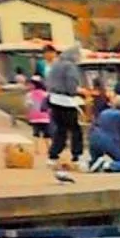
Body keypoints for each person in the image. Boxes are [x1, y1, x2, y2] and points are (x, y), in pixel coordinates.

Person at [42, 44, 86, 178]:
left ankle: (53, 155)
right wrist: (78, 92)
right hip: (66, 101)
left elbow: (48, 82)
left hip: (54, 100)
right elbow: (72, 85)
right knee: (75, 130)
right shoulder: (70, 66)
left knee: (60, 129)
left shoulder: (55, 65)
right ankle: (76, 156)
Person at [85, 93, 120, 173]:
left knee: (95, 160)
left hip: (93, 138)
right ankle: (106, 165)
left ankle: (94, 163)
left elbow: (93, 125)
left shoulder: (104, 112)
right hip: (109, 141)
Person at [23, 76, 50, 151]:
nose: (29, 86)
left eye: (31, 84)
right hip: (45, 117)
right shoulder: (46, 94)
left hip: (34, 117)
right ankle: (48, 149)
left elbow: (28, 105)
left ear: (34, 85)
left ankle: (36, 149)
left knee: (36, 133)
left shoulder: (29, 94)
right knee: (47, 134)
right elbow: (50, 105)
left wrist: (27, 115)